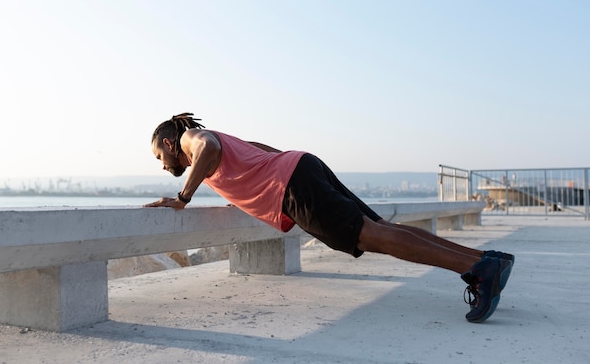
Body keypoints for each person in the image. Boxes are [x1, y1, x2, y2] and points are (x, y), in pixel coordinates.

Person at [144, 113, 514, 323]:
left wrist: (182, 199)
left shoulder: (193, 138)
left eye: (159, 157)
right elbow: (259, 151)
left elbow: (209, 148)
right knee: (380, 229)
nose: (162, 166)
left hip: (291, 184)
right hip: (301, 166)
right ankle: (483, 261)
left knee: (371, 236)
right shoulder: (215, 143)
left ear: (168, 143)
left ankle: (479, 269)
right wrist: (245, 196)